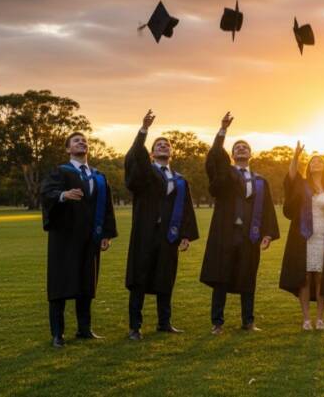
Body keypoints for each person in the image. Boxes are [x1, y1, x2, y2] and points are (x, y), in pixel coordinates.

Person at [200, 112, 279, 334]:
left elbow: (267, 210)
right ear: (232, 155)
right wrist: (223, 131)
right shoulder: (225, 176)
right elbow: (215, 157)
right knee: (221, 277)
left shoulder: (261, 181)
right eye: (237, 148)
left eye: (245, 147)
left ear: (251, 154)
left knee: (248, 276)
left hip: (249, 235)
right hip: (226, 233)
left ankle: (248, 321)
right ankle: (217, 322)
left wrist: (267, 233)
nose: (241, 149)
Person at [124, 110, 199, 340]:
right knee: (140, 278)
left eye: (167, 144)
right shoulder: (145, 173)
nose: (163, 146)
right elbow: (135, 157)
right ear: (152, 152)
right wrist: (144, 131)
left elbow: (186, 207)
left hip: (168, 236)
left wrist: (185, 234)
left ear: (172, 152)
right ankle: (135, 327)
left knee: (166, 277)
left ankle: (164, 322)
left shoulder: (179, 179)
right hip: (145, 234)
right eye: (159, 144)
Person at [40, 132, 117, 348]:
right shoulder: (61, 171)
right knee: (60, 285)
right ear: (67, 149)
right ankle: (58, 334)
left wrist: (106, 234)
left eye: (84, 140)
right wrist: (63, 195)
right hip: (64, 238)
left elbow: (107, 207)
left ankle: (84, 329)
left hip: (90, 238)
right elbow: (46, 193)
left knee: (86, 283)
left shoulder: (99, 176)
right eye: (76, 140)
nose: (81, 142)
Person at [279, 142, 324, 330]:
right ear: (309, 167)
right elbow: (291, 178)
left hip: (323, 237)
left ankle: (320, 318)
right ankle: (306, 319)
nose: (316, 163)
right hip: (302, 237)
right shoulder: (302, 186)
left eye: (320, 161)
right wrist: (295, 157)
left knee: (321, 277)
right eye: (312, 161)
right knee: (305, 277)